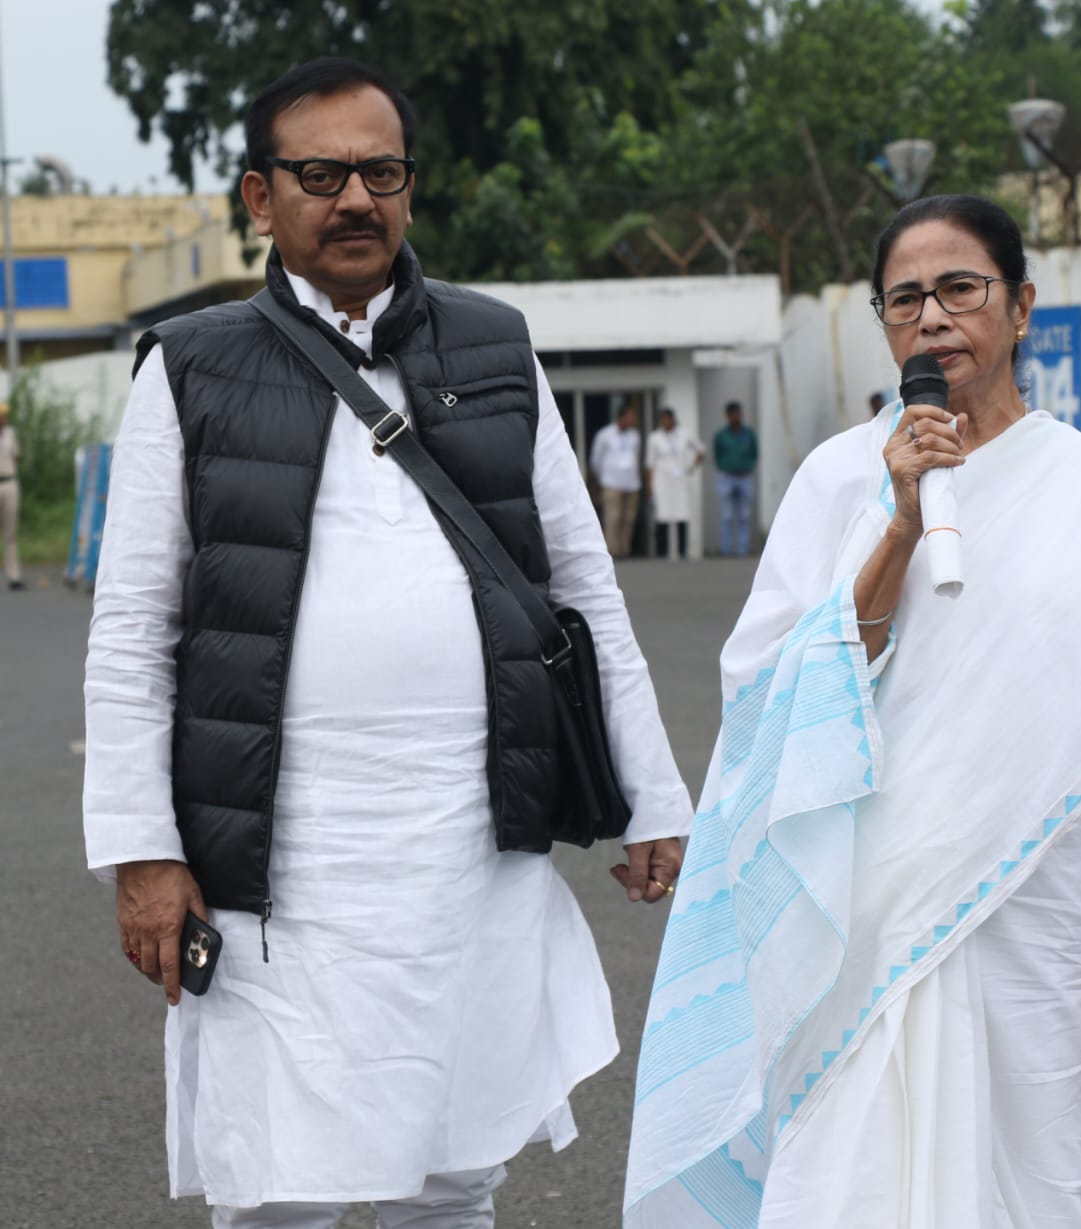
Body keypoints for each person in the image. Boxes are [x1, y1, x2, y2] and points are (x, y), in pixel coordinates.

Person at [82, 58, 691, 1229]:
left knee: (454, 1168)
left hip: (467, 839)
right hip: (273, 853)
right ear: (261, 199)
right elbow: (131, 630)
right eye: (320, 173)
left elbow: (579, 585)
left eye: (381, 170)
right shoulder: (190, 366)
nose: (354, 197)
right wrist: (142, 851)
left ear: (409, 187)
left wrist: (649, 791)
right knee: (278, 1179)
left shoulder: (495, 347)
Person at [624, 195, 1081, 1229]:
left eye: (960, 288)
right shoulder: (833, 481)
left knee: (1037, 1185)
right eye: (904, 298)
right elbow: (774, 697)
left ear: (1020, 305)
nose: (933, 317)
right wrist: (899, 524)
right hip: (862, 917)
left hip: (1047, 928)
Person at [645, 407, 704, 560]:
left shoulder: (684, 434)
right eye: (662, 419)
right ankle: (662, 553)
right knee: (662, 515)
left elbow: (701, 450)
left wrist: (691, 467)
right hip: (662, 481)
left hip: (680, 480)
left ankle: (682, 552)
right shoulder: (654, 438)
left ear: (672, 419)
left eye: (667, 419)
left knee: (682, 513)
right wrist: (650, 485)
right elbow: (650, 463)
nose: (664, 422)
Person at [589, 402, 643, 557]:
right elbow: (595, 459)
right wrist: (601, 477)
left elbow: (636, 457)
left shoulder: (635, 435)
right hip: (611, 482)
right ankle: (613, 550)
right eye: (631, 417)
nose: (633, 420)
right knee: (613, 517)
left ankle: (625, 548)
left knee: (628, 518)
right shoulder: (605, 434)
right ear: (622, 417)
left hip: (631, 483)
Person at [712, 400, 757, 555]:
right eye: (734, 415)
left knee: (744, 515)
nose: (737, 417)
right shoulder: (721, 436)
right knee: (727, 515)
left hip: (744, 477)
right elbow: (717, 455)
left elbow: (754, 454)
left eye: (739, 414)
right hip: (727, 477)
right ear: (728, 416)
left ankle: (742, 550)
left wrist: (747, 466)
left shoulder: (749, 434)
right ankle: (727, 550)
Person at [0, 401, 23, 590]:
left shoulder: (10, 434)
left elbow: (16, 456)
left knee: (10, 533)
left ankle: (14, 575)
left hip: (9, 482)